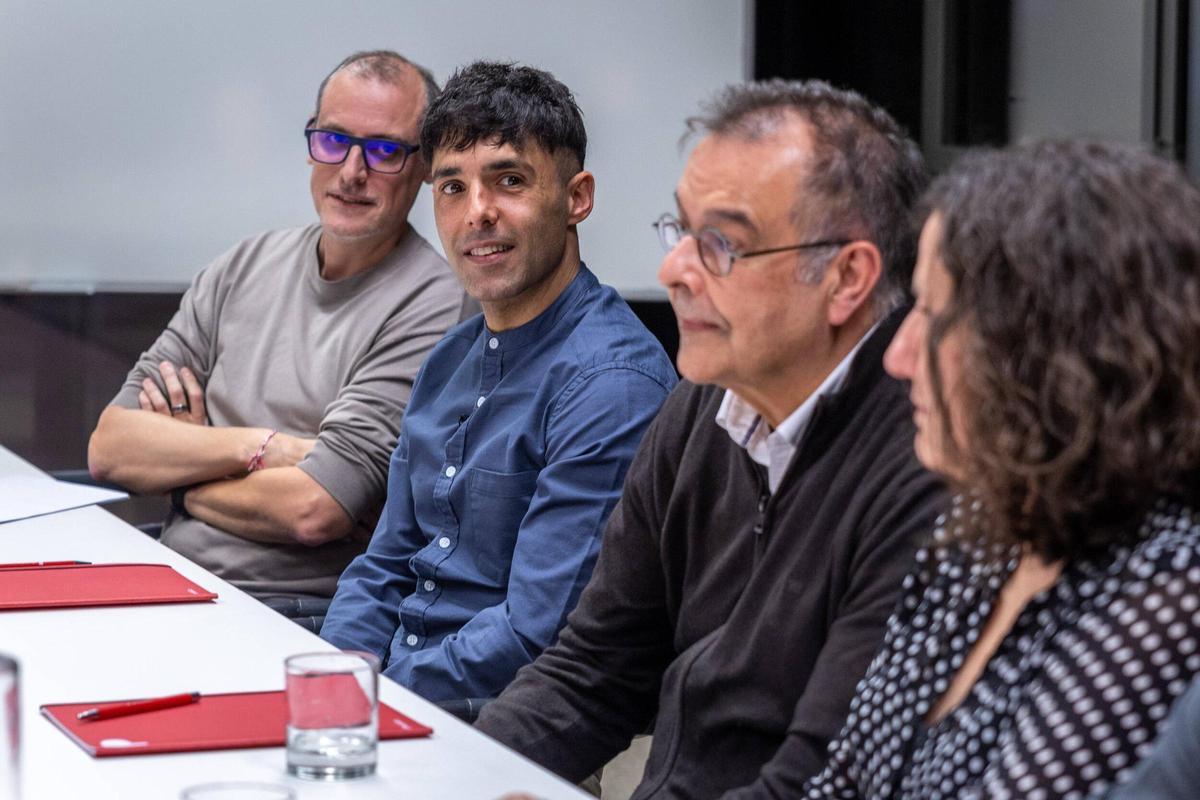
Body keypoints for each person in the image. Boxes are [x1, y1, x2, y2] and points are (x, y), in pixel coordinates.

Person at [474, 79, 947, 798]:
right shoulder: (702, 404)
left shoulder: (924, 465)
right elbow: (594, 670)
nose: (673, 271)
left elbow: (823, 779)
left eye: (721, 244)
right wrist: (453, 775)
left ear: (847, 277)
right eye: (682, 231)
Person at [797, 140, 1200, 799]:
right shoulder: (981, 530)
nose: (898, 356)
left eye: (930, 314)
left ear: (1042, 349)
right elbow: (842, 780)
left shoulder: (1171, 593)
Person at [319, 62, 676, 706]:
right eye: (451, 187)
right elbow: (383, 564)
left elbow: (537, 635)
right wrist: (338, 677)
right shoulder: (450, 358)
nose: (476, 213)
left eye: (508, 181)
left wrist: (377, 697)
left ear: (577, 198)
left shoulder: (611, 384)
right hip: (390, 698)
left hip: (499, 728)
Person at [87, 51, 465, 603]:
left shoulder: (435, 303)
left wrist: (180, 474)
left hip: (292, 614)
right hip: (166, 579)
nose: (352, 171)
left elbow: (313, 509)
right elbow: (111, 446)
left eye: (384, 150)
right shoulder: (243, 265)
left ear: (426, 166)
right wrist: (265, 448)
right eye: (334, 140)